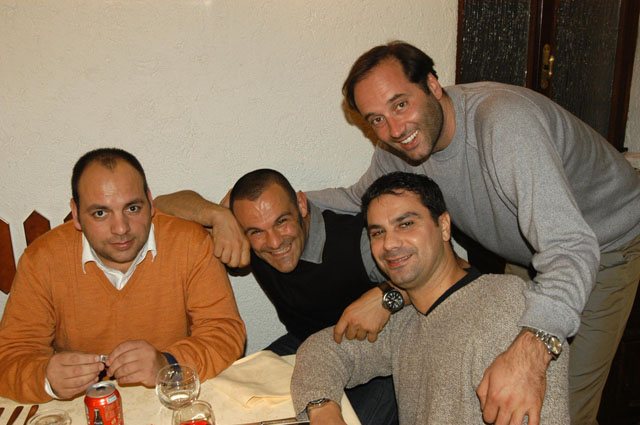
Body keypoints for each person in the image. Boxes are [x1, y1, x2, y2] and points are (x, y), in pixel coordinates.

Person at [305, 41, 640, 425]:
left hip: (600, 246)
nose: (395, 130)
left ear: (433, 85)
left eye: (400, 104)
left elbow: (569, 246)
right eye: (376, 119)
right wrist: (270, 208)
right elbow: (353, 198)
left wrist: (534, 349)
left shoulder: (504, 123)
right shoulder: (400, 149)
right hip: (528, 252)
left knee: (558, 403)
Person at [291, 171, 570, 425]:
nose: (389, 244)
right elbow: (322, 350)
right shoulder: (407, 318)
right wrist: (322, 409)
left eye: (406, 224)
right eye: (378, 232)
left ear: (444, 226)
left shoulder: (504, 308)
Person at [0, 148, 246, 404]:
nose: (121, 229)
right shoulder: (42, 259)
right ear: (76, 214)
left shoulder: (189, 243)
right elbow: (9, 356)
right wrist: (46, 379)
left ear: (150, 203)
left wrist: (168, 363)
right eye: (100, 213)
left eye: (132, 208)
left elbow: (224, 332)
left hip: (170, 399)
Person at [155, 168, 400, 425]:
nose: (273, 242)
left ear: (302, 204)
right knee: (227, 395)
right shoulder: (246, 238)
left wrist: (387, 296)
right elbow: (161, 205)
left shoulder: (357, 241)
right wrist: (218, 215)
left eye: (281, 222)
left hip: (374, 360)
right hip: (304, 342)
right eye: (256, 231)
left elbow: (426, 274)